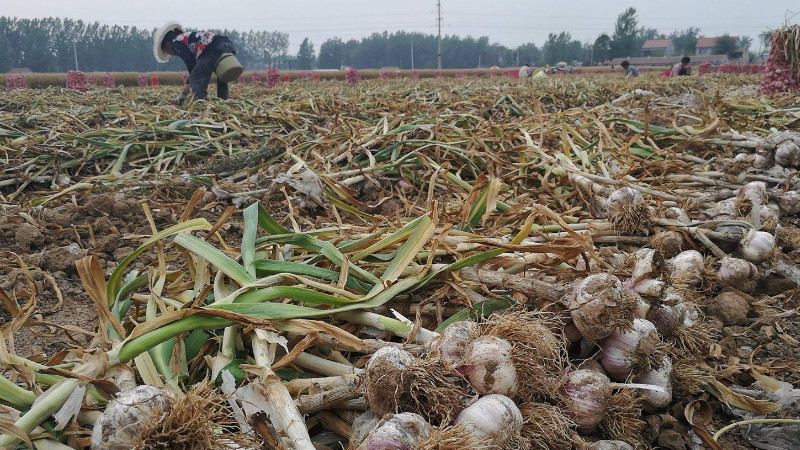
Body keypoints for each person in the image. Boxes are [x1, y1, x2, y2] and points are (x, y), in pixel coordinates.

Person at [153, 22, 240, 104]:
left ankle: (200, 103)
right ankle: (223, 102)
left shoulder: (176, 43)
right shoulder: (186, 38)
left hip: (212, 49)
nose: (172, 54)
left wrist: (183, 95)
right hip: (226, 44)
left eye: (167, 51)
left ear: (167, 43)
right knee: (222, 74)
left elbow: (192, 66)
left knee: (196, 77)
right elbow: (196, 67)